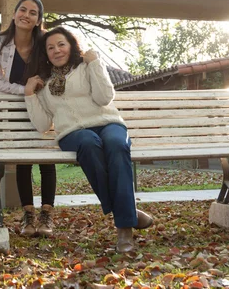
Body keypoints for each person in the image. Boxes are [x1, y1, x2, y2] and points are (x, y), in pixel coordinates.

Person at [23, 27, 154, 253]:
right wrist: (30, 94)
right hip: (73, 132)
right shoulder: (44, 84)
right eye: (50, 47)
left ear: (72, 45)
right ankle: (127, 216)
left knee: (116, 145)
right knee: (89, 143)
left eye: (61, 44)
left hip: (108, 122)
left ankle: (124, 229)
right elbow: (43, 125)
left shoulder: (86, 66)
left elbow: (104, 97)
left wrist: (95, 63)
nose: (56, 50)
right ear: (45, 54)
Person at [0, 0, 56, 237]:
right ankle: (29, 216)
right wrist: (23, 89)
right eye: (23, 10)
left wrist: (38, 90)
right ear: (15, 14)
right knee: (23, 161)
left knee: (47, 161)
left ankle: (46, 215)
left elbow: (56, 72)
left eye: (33, 12)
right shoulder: (0, 42)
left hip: (43, 106)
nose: (26, 15)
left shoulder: (45, 42)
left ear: (39, 20)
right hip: (16, 108)